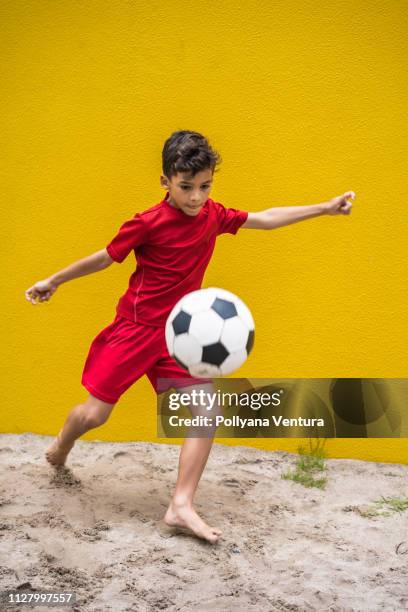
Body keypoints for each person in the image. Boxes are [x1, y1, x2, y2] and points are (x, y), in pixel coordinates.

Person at [25, 130, 355, 543]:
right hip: (134, 332)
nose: (196, 197)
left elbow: (265, 217)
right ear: (166, 181)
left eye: (204, 187)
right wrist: (53, 280)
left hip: (177, 337)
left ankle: (181, 505)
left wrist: (323, 209)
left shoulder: (214, 215)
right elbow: (104, 258)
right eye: (186, 188)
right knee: (94, 415)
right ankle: (60, 446)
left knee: (207, 412)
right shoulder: (146, 222)